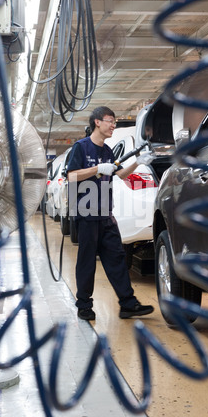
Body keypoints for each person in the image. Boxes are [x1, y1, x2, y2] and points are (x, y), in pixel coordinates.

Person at [67, 106, 155, 321]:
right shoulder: (81, 147)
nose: (113, 125)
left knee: (116, 259)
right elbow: (71, 176)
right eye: (110, 121)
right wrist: (96, 169)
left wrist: (138, 162)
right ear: (97, 122)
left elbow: (120, 173)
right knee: (87, 262)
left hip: (106, 214)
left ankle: (128, 304)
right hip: (86, 214)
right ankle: (84, 305)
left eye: (114, 122)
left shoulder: (107, 151)